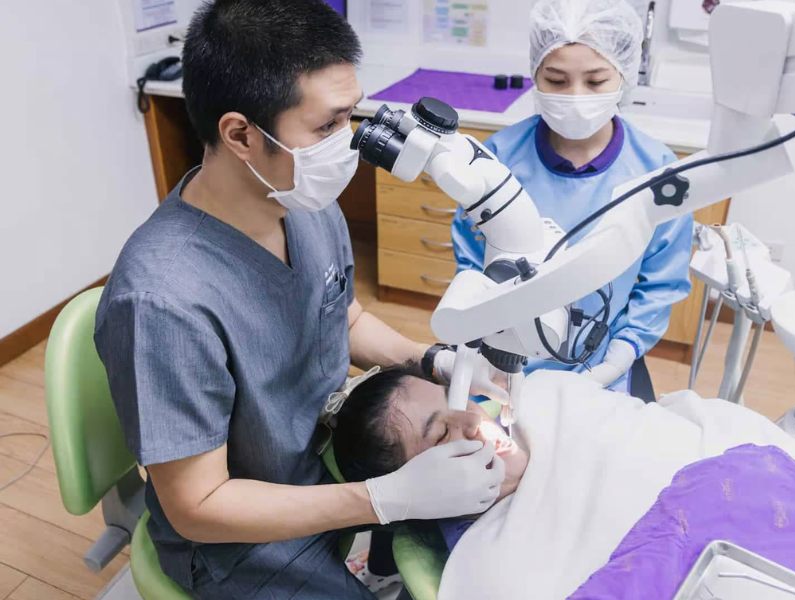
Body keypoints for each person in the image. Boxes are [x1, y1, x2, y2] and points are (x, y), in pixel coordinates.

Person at [93, 1, 506, 598]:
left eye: (349, 118)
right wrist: (383, 500)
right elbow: (198, 507)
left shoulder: (302, 205)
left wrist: (428, 359)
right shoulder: (163, 302)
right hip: (236, 540)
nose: (350, 143)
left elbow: (342, 315)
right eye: (327, 126)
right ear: (240, 134)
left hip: (319, 463)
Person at [330, 366, 795, 599]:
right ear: (419, 488)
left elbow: (680, 420)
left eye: (455, 398)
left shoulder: (546, 395)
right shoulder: (491, 567)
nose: (471, 421)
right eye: (440, 434)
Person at [451, 0, 694, 393]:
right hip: (502, 357)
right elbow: (472, 262)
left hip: (601, 364)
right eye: (557, 80)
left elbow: (659, 284)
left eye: (596, 81)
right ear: (535, 74)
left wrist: (618, 357)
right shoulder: (499, 158)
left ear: (624, 74)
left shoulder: (655, 172)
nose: (576, 96)